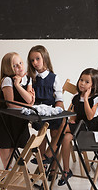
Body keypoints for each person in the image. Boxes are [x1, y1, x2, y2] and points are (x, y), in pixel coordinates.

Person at [59, 68, 98, 186]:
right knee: (65, 138)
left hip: (90, 129)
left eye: (86, 82)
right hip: (79, 127)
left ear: (93, 85)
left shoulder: (96, 99)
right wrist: (72, 121)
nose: (82, 83)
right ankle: (66, 170)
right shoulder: (75, 97)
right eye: (81, 80)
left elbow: (90, 117)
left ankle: (49, 155)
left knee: (62, 126)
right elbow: (74, 116)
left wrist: (85, 99)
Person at [27, 45, 64, 179]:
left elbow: (59, 98)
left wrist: (57, 110)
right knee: (41, 134)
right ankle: (43, 164)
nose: (34, 63)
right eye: (32, 60)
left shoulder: (53, 77)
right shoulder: (31, 77)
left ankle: (53, 167)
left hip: (52, 111)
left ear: (45, 59)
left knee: (55, 135)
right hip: (39, 112)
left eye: (37, 59)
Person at [0, 52, 35, 169]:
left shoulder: (28, 78)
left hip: (20, 118)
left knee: (15, 143)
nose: (20, 67)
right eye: (15, 65)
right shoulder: (7, 80)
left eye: (20, 63)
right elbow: (10, 104)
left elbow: (29, 99)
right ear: (8, 69)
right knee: (6, 145)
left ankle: (11, 169)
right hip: (7, 118)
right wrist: (29, 105)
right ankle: (7, 168)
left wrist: (18, 86)